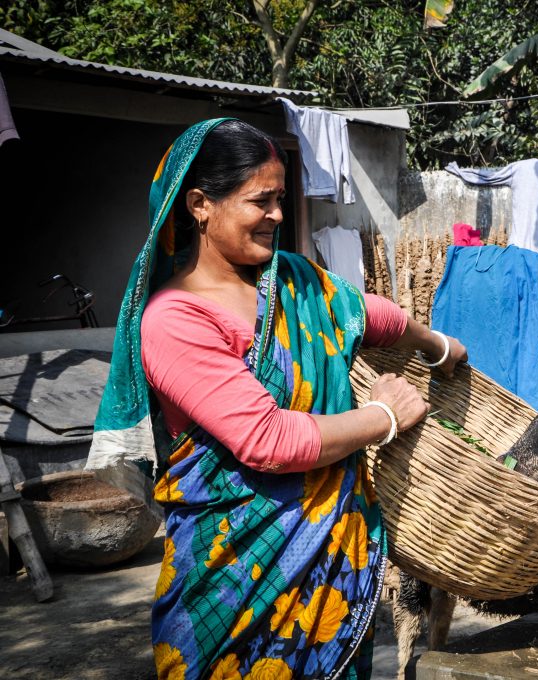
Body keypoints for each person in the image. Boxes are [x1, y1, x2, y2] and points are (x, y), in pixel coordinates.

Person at [86, 118, 467, 680]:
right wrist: (384, 417)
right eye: (260, 201)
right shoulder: (175, 321)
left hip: (332, 568)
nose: (279, 216)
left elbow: (369, 314)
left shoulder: (289, 279)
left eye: (281, 199)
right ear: (199, 205)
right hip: (236, 579)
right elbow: (268, 441)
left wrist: (439, 347)